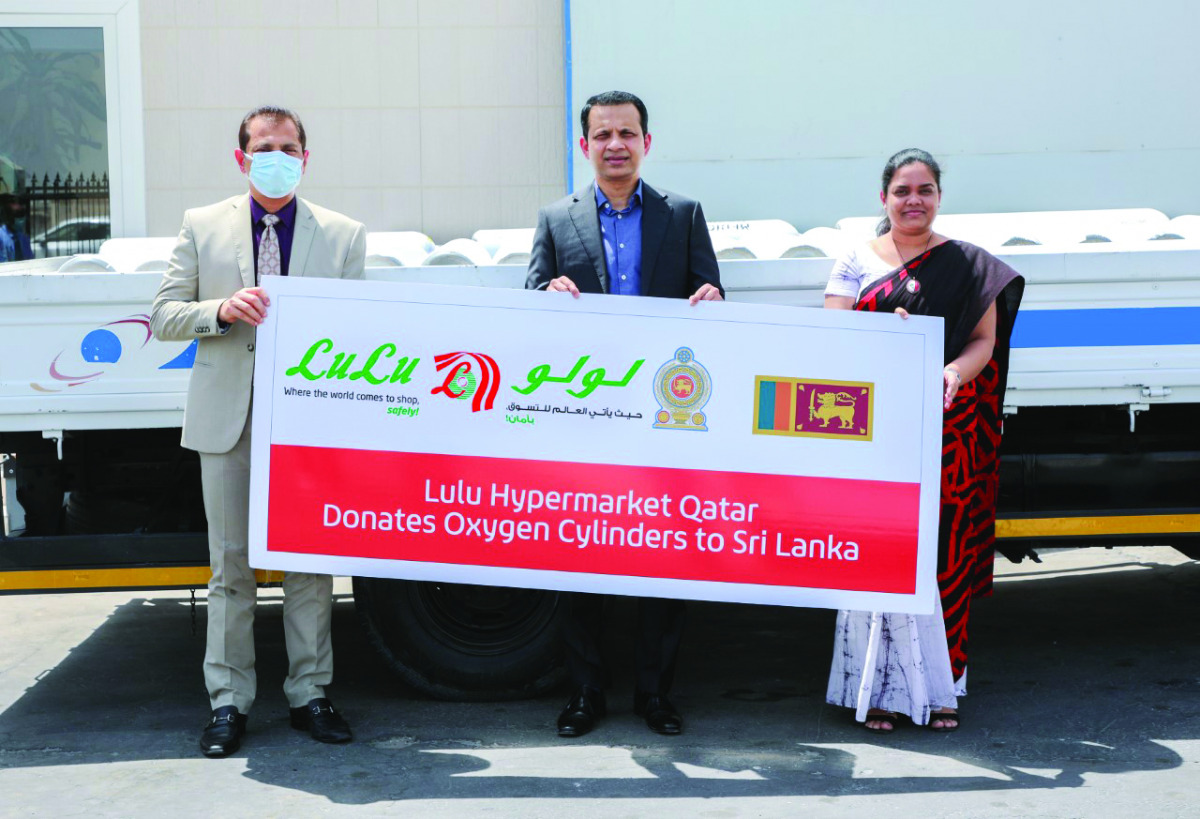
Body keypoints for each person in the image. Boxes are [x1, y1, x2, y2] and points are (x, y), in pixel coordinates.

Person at [150, 106, 366, 757]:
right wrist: (220, 309)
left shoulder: (343, 235)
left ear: (306, 157)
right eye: (264, 147)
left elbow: (357, 328)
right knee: (230, 567)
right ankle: (228, 700)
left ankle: (310, 693)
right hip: (229, 420)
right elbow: (163, 315)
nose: (277, 157)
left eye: (289, 147)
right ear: (242, 158)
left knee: (310, 565)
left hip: (308, 423)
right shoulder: (201, 225)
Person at [526, 90, 723, 738]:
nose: (616, 144)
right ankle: (585, 692)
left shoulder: (683, 214)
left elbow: (712, 294)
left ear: (646, 143)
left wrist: (711, 297)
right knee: (579, 557)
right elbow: (528, 305)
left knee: (664, 557)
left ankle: (655, 694)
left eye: (627, 133)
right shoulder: (556, 219)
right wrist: (547, 291)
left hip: (664, 415)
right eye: (603, 134)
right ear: (584, 145)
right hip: (586, 415)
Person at [823, 148, 1024, 733]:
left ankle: (941, 688)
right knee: (878, 555)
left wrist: (952, 373)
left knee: (942, 557)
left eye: (925, 190)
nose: (914, 200)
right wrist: (884, 336)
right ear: (883, 197)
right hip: (875, 430)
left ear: (939, 196)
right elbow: (833, 334)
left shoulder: (968, 264)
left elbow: (983, 341)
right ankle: (877, 691)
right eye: (903, 190)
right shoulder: (856, 258)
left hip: (946, 434)